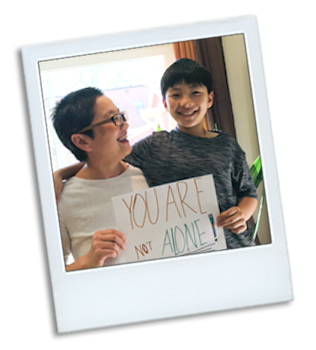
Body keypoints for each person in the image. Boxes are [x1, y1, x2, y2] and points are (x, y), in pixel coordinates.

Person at [54, 58, 258, 250]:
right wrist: (61, 175)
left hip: (237, 246)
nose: (186, 102)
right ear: (164, 103)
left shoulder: (227, 145)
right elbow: (105, 159)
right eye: (176, 95)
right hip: (187, 255)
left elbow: (248, 192)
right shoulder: (154, 146)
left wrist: (242, 213)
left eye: (195, 93)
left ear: (210, 99)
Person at [51, 87, 149, 271]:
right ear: (82, 141)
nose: (125, 125)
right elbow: (46, 275)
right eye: (113, 119)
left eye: (122, 116)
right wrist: (87, 261)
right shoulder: (61, 199)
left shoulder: (148, 172)